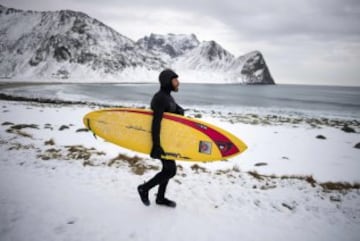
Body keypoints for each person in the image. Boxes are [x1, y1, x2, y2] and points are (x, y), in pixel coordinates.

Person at [137, 69, 184, 208]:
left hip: (168, 140)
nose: (178, 83)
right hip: (161, 141)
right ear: (167, 81)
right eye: (175, 80)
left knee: (168, 169)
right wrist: (156, 145)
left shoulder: (167, 96)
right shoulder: (159, 98)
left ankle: (160, 198)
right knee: (170, 170)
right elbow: (155, 123)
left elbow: (172, 107)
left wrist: (180, 110)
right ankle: (144, 188)